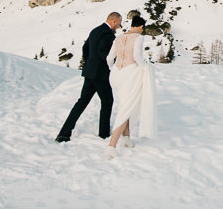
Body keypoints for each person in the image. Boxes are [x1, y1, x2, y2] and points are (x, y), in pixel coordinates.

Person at [55, 12, 122, 143]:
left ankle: (64, 133)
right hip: (101, 75)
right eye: (118, 24)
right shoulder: (108, 34)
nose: (118, 27)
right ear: (114, 22)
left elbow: (85, 48)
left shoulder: (95, 30)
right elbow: (104, 53)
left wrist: (89, 64)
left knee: (82, 102)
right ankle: (103, 134)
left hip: (90, 73)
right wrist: (112, 65)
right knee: (107, 101)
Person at [105, 14, 158, 159]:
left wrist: (113, 69)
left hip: (116, 75)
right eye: (143, 28)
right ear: (140, 27)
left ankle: (126, 138)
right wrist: (144, 67)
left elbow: (109, 58)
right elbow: (137, 57)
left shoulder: (119, 37)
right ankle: (111, 145)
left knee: (124, 105)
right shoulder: (138, 38)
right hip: (129, 73)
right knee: (126, 107)